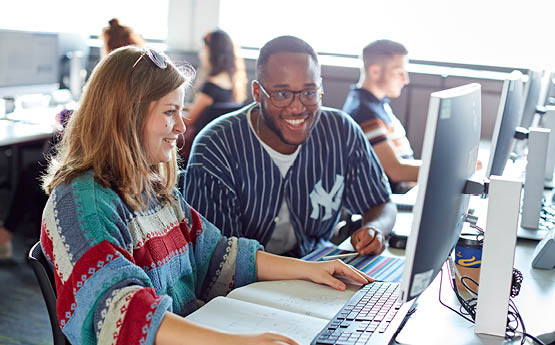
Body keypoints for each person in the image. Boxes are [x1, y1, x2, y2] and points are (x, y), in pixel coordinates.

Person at [40, 46, 372, 345]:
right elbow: (121, 314)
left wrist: (310, 269)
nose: (182, 127)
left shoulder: (151, 187)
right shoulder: (82, 203)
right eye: (170, 112)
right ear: (128, 116)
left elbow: (216, 254)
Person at [185, 36, 397, 258]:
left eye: (308, 92)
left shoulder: (341, 131)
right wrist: (304, 272)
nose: (297, 107)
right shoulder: (216, 146)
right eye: (282, 94)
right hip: (243, 286)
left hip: (318, 270)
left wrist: (376, 229)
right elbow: (215, 257)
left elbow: (381, 203)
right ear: (257, 93)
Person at [0, 21, 144, 263]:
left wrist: (65, 116)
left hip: (101, 163)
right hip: (117, 162)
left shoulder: (112, 81)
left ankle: (6, 237)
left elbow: (92, 121)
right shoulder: (138, 78)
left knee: (32, 172)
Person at [342, 40, 420, 193]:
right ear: (375, 72)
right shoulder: (365, 113)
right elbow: (396, 170)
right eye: (399, 72)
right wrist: (452, 169)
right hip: (387, 199)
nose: (406, 80)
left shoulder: (377, 104)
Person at [179, 29, 247, 161]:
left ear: (212, 53)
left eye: (203, 49)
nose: (200, 54)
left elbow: (188, 121)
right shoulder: (231, 83)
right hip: (219, 145)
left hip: (196, 143)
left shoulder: (210, 88)